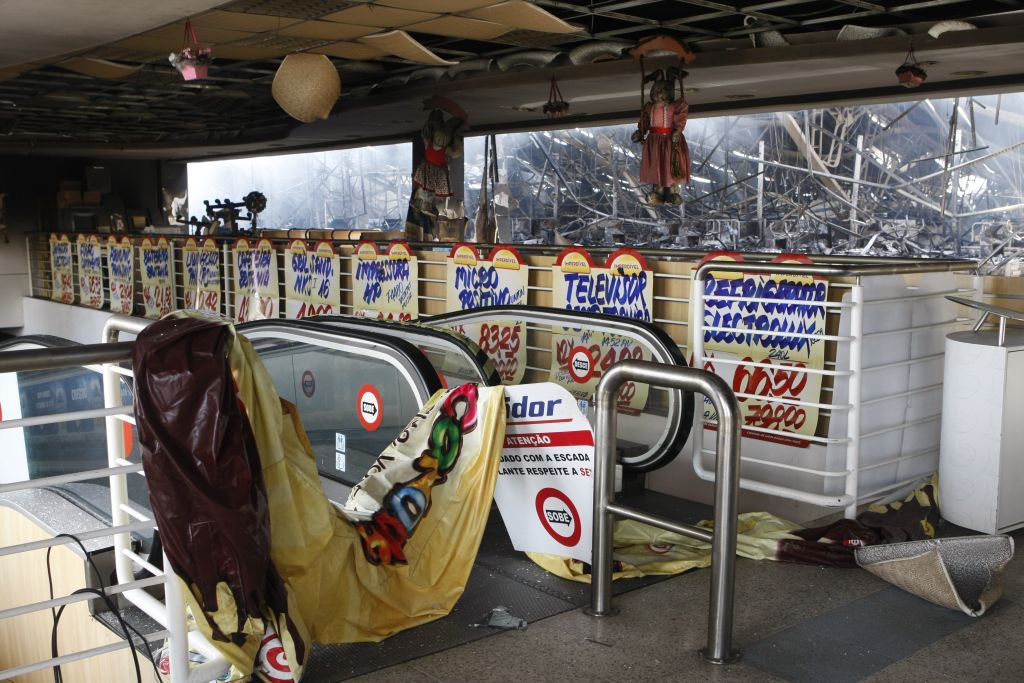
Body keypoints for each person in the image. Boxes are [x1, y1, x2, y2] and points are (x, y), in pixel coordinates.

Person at [634, 74, 691, 206]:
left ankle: (672, 191)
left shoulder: (675, 106)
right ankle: (658, 191)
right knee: (657, 166)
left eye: (663, 92)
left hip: (671, 141)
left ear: (670, 93)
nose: (659, 95)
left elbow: (681, 117)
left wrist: (677, 130)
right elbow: (645, 121)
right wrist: (640, 132)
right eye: (656, 92)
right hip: (654, 142)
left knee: (670, 165)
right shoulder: (649, 108)